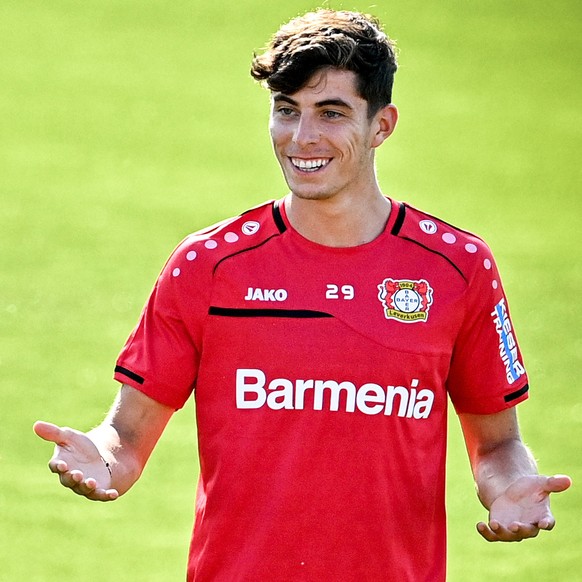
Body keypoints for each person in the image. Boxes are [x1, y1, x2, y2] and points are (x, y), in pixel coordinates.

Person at [34, 9, 571, 581]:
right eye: (286, 110)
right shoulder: (209, 266)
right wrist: (103, 460)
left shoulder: (457, 269)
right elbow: (128, 434)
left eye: (331, 113)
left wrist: (511, 487)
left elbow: (496, 444)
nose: (301, 137)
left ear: (382, 125)